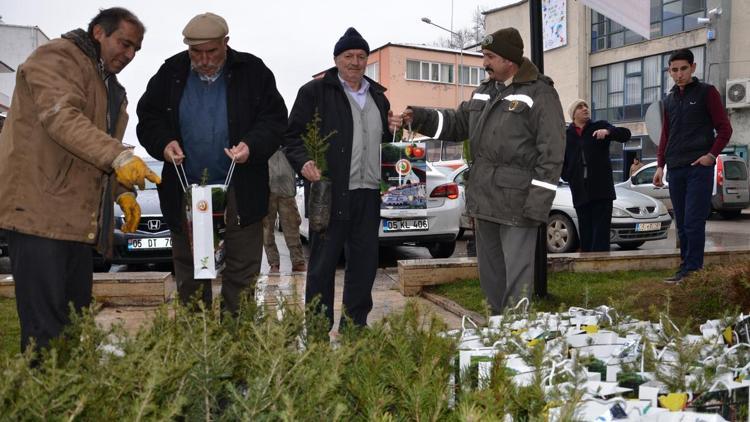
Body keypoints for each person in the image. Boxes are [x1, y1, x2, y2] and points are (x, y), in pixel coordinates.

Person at [0, 8, 158, 352]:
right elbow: (62, 117)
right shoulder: (58, 57)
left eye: (136, 49)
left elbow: (91, 148)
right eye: (124, 43)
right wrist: (119, 157)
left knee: (72, 325)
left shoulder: (108, 86)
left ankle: (69, 403)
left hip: (74, 221)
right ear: (99, 32)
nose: (129, 55)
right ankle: (45, 405)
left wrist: (120, 191)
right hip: (39, 215)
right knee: (46, 334)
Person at [390, 27, 565, 314]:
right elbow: (458, 124)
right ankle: (496, 332)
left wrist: (537, 205)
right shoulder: (484, 92)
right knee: (491, 274)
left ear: (510, 60)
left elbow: (552, 154)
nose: (485, 63)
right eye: (484, 56)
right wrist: (419, 117)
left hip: (517, 203)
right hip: (484, 199)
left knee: (517, 279)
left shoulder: (540, 93)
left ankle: (517, 337)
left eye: (490, 56)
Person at [137, 12, 288, 312]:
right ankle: (198, 345)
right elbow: (148, 120)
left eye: (212, 51)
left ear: (226, 43)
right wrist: (164, 143)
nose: (204, 59)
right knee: (192, 274)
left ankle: (236, 345)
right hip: (186, 193)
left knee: (242, 272)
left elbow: (274, 119)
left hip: (240, 193)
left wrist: (251, 145)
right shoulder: (171, 71)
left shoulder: (253, 71)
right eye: (196, 52)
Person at [285, 27, 392, 332]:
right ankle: (318, 328)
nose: (355, 62)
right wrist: (303, 161)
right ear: (336, 59)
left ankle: (355, 325)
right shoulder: (315, 92)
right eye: (349, 56)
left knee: (364, 264)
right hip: (329, 192)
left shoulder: (378, 97)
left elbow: (384, 141)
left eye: (361, 56)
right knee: (322, 265)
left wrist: (394, 127)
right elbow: (291, 135)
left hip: (369, 193)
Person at [653, 49, 732, 283]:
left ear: (693, 68)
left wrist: (711, 155)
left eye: (683, 69)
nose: (679, 74)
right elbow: (666, 135)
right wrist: (660, 166)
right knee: (681, 223)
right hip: (675, 169)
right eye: (674, 70)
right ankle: (685, 268)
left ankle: (693, 271)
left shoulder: (707, 93)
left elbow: (725, 129)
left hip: (699, 168)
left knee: (693, 221)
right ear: (669, 72)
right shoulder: (668, 100)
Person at [562, 99, 631, 252]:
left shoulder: (599, 125)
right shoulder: (566, 134)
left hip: (601, 189)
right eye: (580, 107)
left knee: (601, 232)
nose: (585, 108)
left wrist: (608, 132)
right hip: (580, 190)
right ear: (573, 114)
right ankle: (586, 266)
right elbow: (561, 160)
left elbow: (626, 134)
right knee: (585, 230)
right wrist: (569, 176)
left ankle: (600, 264)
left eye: (586, 106)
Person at [263, 148, 306, 274]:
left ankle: (298, 261)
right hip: (267, 190)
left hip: (287, 189)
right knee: (267, 229)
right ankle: (273, 263)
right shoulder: (264, 134)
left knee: (292, 226)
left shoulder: (289, 134)